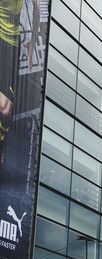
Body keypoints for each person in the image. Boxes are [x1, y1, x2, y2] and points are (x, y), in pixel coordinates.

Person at [0, 0, 39, 167]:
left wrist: (31, 45)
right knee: (3, 105)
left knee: (7, 109)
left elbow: (36, 8)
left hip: (12, 44)